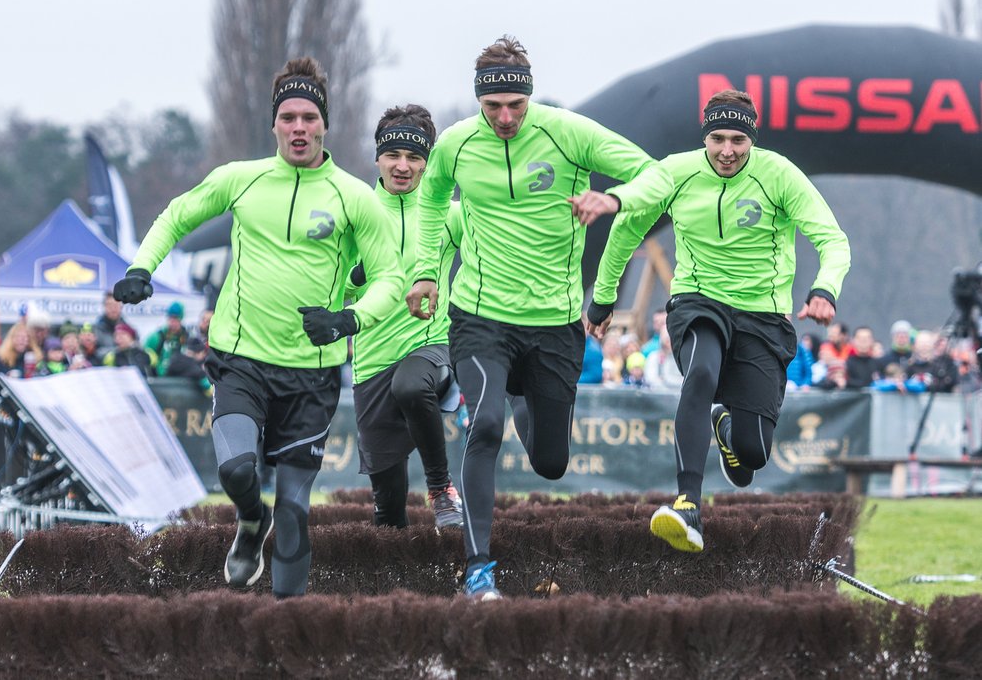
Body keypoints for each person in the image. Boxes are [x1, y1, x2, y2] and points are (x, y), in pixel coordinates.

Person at [112, 57, 402, 598]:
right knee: (238, 472)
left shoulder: (354, 196)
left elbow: (391, 277)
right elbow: (178, 214)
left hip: (310, 377)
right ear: (275, 124)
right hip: (240, 360)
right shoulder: (241, 180)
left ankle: (285, 633)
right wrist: (141, 266)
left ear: (325, 125)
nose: (299, 127)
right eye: (288, 116)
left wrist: (348, 320)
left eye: (309, 117)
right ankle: (249, 520)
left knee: (294, 509)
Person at [405, 36, 674, 598]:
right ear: (478, 101)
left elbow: (658, 174)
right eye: (492, 107)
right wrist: (427, 271)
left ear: (529, 98)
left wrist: (615, 200)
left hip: (553, 321)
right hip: (479, 314)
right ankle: (478, 570)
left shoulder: (568, 132)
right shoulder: (455, 145)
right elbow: (431, 202)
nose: (504, 117)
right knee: (482, 426)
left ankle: (525, 398)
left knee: (551, 462)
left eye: (515, 106)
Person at [587, 89, 850, 553]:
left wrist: (824, 288)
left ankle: (727, 425)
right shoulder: (678, 170)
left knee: (753, 455)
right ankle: (688, 503)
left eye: (738, 141)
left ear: (752, 139)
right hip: (697, 300)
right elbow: (633, 216)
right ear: (704, 136)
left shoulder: (778, 174)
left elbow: (831, 238)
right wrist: (604, 293)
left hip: (762, 315)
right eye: (717, 139)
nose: (727, 151)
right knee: (702, 371)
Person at [346, 104, 465, 531]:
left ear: (427, 162)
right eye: (394, 155)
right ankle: (406, 594)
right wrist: (356, 276)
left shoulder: (447, 214)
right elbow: (330, 288)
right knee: (388, 514)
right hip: (372, 360)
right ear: (377, 157)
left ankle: (441, 489)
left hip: (428, 346)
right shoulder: (354, 211)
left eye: (415, 158)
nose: (403, 166)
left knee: (411, 386)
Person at [145, 301, 190, 377]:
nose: (173, 323)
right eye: (171, 318)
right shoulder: (156, 337)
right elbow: (144, 355)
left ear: (181, 319)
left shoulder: (186, 336)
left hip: (180, 376)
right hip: (159, 377)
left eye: (176, 319)